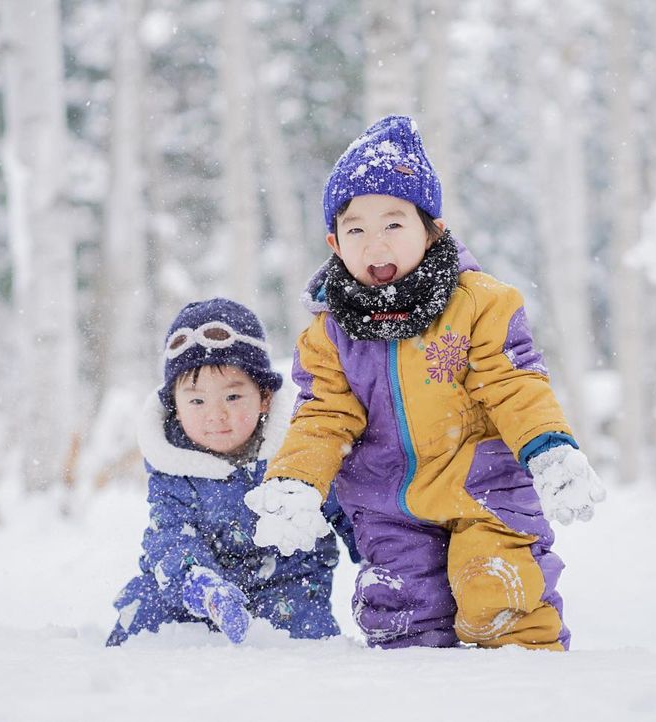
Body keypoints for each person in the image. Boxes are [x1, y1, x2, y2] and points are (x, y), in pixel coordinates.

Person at [245, 115, 605, 650]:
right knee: (400, 616)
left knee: (496, 591)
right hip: (389, 505)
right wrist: (296, 481)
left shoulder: (481, 304)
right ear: (334, 242)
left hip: (485, 491)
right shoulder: (329, 335)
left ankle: (531, 689)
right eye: (356, 229)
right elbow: (323, 416)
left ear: (432, 228)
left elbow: (514, 385)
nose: (375, 244)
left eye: (394, 224)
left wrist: (548, 448)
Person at [106, 297, 357, 647]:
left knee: (302, 642)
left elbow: (352, 509)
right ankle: (138, 682)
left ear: (265, 397)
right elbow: (170, 537)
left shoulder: (299, 451)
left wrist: (383, 556)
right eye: (196, 401)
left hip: (286, 585)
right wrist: (201, 586)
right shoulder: (174, 468)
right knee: (145, 613)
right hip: (197, 591)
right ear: (175, 407)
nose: (215, 416)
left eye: (233, 397)